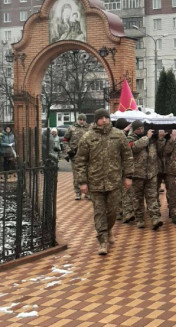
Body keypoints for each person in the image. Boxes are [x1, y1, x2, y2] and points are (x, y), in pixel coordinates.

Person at [74, 108, 133, 255]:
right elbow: (80, 161)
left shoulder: (118, 135)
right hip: (95, 182)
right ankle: (102, 240)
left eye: (106, 117)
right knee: (99, 212)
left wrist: (128, 176)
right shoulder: (88, 137)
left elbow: (127, 156)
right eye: (101, 118)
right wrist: (82, 182)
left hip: (114, 181)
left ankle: (109, 229)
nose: (104, 120)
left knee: (112, 211)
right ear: (96, 120)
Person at [128, 120, 166, 230]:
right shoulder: (130, 138)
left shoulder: (151, 139)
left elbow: (160, 150)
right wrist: (147, 138)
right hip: (137, 174)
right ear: (134, 129)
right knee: (137, 198)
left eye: (142, 128)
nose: (141, 130)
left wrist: (160, 138)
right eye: (138, 129)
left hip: (151, 173)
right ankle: (140, 219)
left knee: (152, 196)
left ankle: (155, 219)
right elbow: (134, 148)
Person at [63, 113, 89, 200]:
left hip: (87, 156)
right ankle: (78, 193)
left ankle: (87, 193)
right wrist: (68, 150)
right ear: (78, 119)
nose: (82, 121)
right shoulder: (72, 129)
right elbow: (65, 140)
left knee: (87, 174)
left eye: (83, 120)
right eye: (80, 119)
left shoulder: (89, 129)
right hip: (75, 155)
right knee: (77, 175)